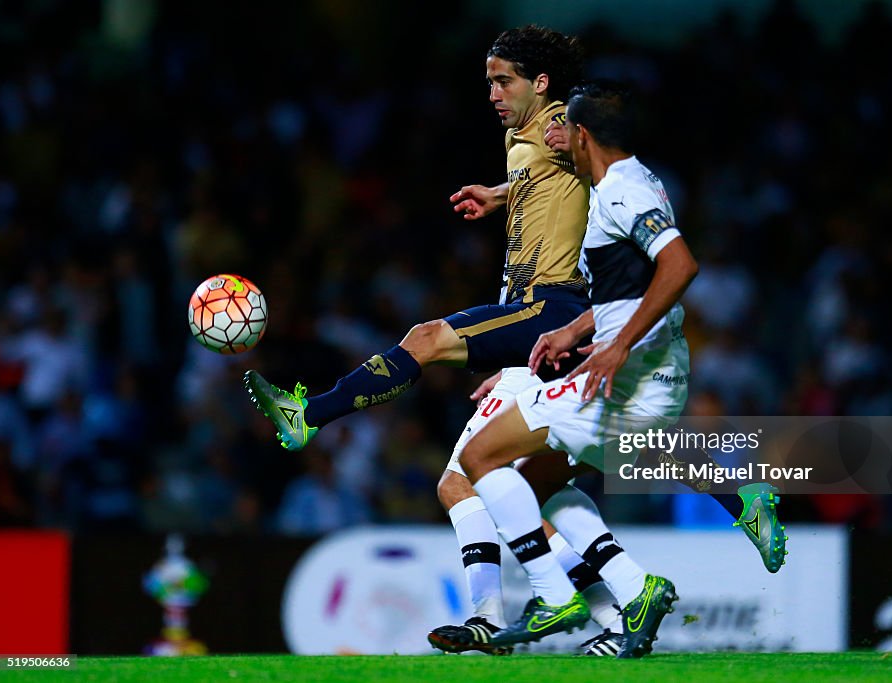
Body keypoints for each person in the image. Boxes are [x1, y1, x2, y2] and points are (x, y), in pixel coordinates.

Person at [245, 25, 628, 656]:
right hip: (526, 310)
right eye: (488, 82)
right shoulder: (522, 137)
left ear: (541, 82)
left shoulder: (565, 120)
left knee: (426, 341)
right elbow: (550, 181)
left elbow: (607, 162)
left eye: (504, 80)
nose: (494, 93)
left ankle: (307, 416)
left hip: (556, 304)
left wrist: (585, 144)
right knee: (464, 480)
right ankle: (506, 611)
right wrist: (501, 194)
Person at [458, 82, 697, 658]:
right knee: (538, 481)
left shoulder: (618, 193)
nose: (554, 134)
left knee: (480, 459)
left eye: (564, 126)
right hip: (637, 377)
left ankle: (553, 594)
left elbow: (679, 265)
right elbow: (628, 288)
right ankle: (635, 592)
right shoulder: (633, 181)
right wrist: (576, 330)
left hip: (631, 383)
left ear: (582, 135)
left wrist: (616, 347)